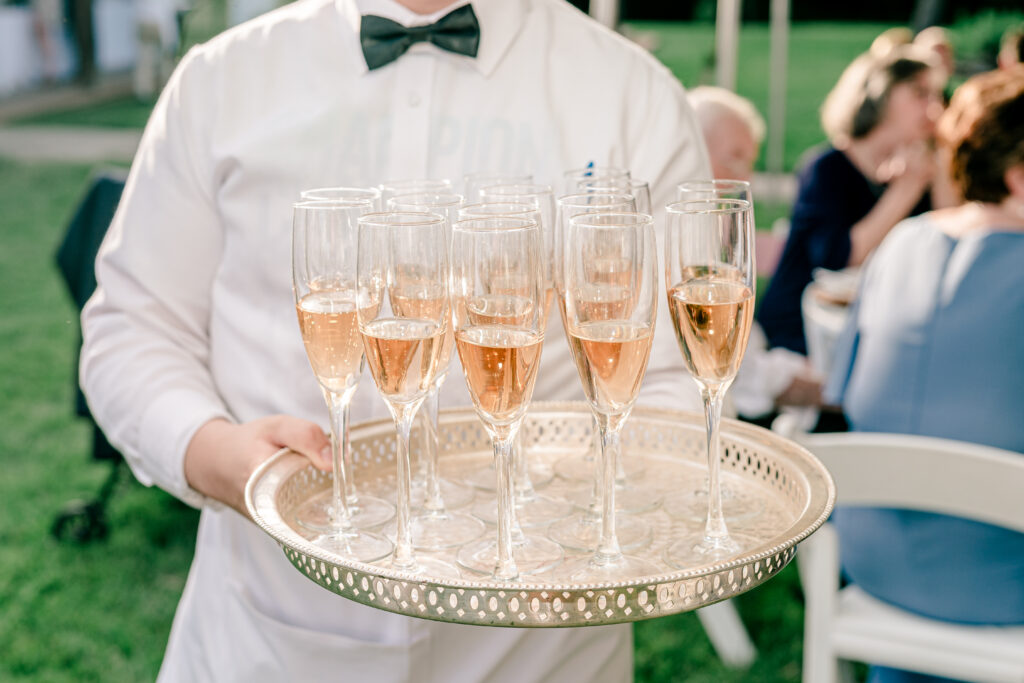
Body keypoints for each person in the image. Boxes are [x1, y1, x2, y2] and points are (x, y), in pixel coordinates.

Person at [78, 0, 711, 680]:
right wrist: (213, 453)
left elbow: (681, 370)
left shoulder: (634, 93)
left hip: (545, 649)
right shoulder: (221, 79)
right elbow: (132, 327)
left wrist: (598, 523)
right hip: (266, 640)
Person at [826, 66, 1024, 683]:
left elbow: (847, 395)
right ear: (1018, 176)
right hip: (1002, 583)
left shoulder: (903, 244)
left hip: (875, 564)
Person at [757, 44, 946, 355]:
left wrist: (940, 168)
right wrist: (905, 191)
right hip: (799, 338)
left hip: (875, 334)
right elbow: (838, 259)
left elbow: (947, 243)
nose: (935, 108)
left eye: (937, 96)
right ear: (880, 95)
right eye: (920, 93)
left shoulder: (919, 169)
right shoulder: (826, 168)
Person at [686, 85, 823, 419]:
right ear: (691, 150)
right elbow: (735, 370)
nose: (744, 176)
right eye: (734, 157)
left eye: (748, 162)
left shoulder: (710, 225)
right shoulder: (679, 237)